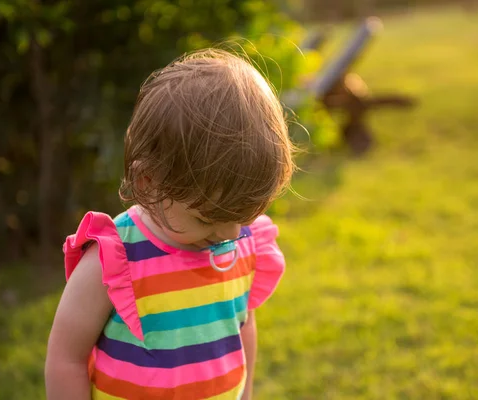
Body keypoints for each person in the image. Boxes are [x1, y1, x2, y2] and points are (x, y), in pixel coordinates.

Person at [45, 49, 294, 400]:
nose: (229, 235)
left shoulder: (243, 243)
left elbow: (241, 324)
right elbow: (66, 358)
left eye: (243, 216)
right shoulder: (115, 258)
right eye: (208, 219)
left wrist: (246, 391)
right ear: (148, 181)